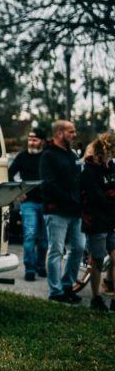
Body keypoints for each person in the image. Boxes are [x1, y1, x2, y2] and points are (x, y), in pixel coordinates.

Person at [41, 120, 85, 303]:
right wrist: (70, 199)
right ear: (59, 133)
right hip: (57, 211)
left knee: (79, 248)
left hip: (75, 212)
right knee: (56, 250)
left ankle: (67, 286)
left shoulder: (72, 155)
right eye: (71, 132)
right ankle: (56, 291)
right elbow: (49, 184)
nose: (74, 135)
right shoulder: (48, 156)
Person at [79, 131, 115, 311]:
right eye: (109, 156)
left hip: (111, 220)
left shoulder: (112, 169)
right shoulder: (89, 171)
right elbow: (96, 197)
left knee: (114, 257)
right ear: (101, 154)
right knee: (98, 260)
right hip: (95, 221)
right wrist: (110, 197)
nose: (111, 159)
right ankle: (96, 298)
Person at [8, 128, 48, 281]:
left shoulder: (47, 157)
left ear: (42, 141)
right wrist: (19, 192)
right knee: (30, 236)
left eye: (35, 139)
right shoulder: (22, 156)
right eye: (30, 139)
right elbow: (10, 173)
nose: (31, 142)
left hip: (46, 203)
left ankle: (41, 266)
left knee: (44, 239)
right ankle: (30, 269)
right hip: (28, 203)